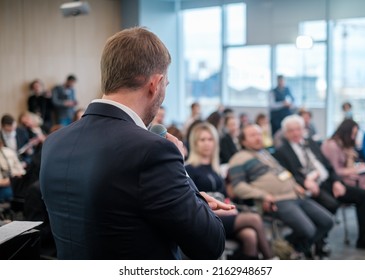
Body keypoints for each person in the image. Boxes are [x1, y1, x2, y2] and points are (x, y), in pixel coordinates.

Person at [40, 27, 230, 260]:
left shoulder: (53, 143)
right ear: (156, 83)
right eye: (166, 85)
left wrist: (188, 197)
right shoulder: (154, 151)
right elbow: (210, 245)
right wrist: (182, 173)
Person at [274, 115, 365, 251]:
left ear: (303, 129)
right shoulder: (282, 152)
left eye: (298, 129)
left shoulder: (310, 143)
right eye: (291, 130)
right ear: (285, 133)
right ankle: (316, 242)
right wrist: (305, 183)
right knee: (331, 204)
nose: (296, 133)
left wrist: (336, 182)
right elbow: (290, 175)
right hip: (311, 185)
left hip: (328, 181)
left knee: (363, 196)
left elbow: (328, 166)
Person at [228, 124, 334, 258]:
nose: (258, 138)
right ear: (243, 141)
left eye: (259, 134)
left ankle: (291, 250)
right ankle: (286, 250)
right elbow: (238, 187)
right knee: (308, 230)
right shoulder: (239, 158)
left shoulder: (264, 154)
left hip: (296, 195)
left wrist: (295, 185)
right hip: (278, 200)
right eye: (253, 135)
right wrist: (263, 195)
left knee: (327, 221)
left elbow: (283, 173)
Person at [186, 122, 274, 259]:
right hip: (206, 219)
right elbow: (193, 202)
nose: (207, 143)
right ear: (195, 143)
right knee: (254, 219)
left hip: (223, 215)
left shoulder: (215, 169)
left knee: (250, 235)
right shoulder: (188, 169)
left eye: (210, 139)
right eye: (202, 140)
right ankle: (271, 260)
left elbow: (225, 195)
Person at [321, 119, 365, 203]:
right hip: (342, 180)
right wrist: (356, 169)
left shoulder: (343, 145)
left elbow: (347, 165)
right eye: (352, 134)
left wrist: (355, 164)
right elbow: (335, 171)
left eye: (355, 134)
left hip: (351, 176)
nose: (353, 137)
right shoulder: (332, 146)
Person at [0, 138, 26, 203]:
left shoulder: (8, 152)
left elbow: (19, 167)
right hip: (4, 185)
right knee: (9, 193)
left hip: (14, 179)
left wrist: (19, 174)